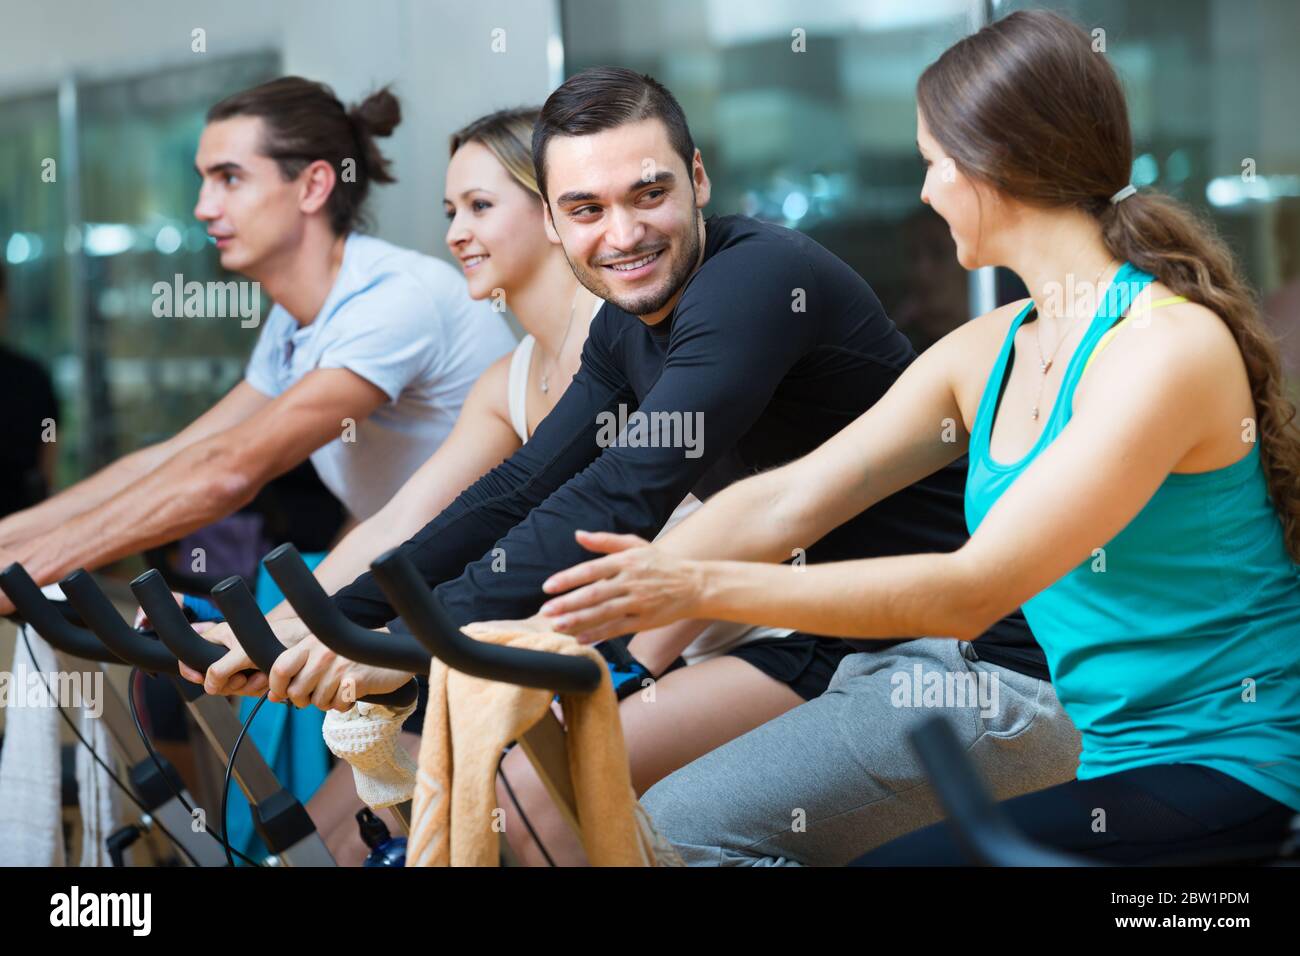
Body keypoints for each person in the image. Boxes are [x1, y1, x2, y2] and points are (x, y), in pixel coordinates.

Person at [200, 66, 1077, 866]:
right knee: (589, 816)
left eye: (648, 194)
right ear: (552, 219)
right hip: (849, 650)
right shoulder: (625, 328)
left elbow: (625, 490)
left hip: (976, 668)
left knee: (661, 835)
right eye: (585, 209)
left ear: (697, 181)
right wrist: (324, 623)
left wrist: (410, 642)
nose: (623, 234)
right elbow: (519, 489)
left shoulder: (755, 284)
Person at [539, 10, 1300, 866]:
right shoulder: (996, 346)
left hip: (1235, 772)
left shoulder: (1162, 349)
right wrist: (565, 617)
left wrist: (693, 586)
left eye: (935, 163)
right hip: (1112, 763)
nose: (928, 191)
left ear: (998, 164)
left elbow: (975, 587)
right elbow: (792, 497)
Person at [0, 76, 513, 613]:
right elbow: (178, 456)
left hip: (498, 586)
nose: (202, 206)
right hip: (419, 568)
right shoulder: (296, 320)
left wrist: (29, 567)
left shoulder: (391, 300)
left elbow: (231, 470)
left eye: (229, 178)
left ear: (314, 186)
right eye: (203, 180)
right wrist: (14, 538)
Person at [0, 260, 59, 519]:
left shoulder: (34, 378)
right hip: (24, 531)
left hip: (22, 529)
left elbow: (49, 437)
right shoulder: (34, 376)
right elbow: (49, 446)